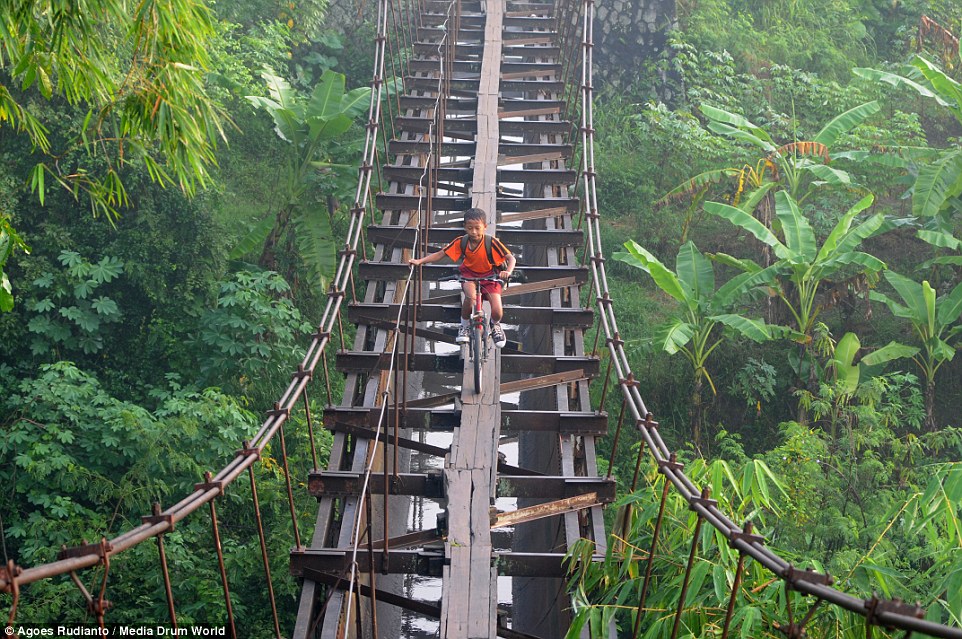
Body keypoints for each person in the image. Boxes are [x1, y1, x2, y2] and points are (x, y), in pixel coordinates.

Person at [409, 207, 516, 348]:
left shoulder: (491, 242)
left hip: (491, 276)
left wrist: (507, 271)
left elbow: (511, 258)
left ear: (485, 227)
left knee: (497, 310)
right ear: (465, 227)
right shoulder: (462, 242)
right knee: (470, 297)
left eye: (477, 228)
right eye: (470, 228)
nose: (474, 232)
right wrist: (419, 261)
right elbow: (441, 254)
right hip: (469, 275)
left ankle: (495, 325)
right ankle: (464, 325)